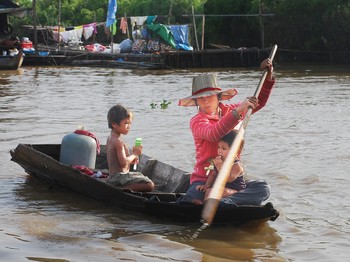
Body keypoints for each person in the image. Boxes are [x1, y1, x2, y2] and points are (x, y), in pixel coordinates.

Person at [178, 58, 275, 206]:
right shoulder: (197, 121)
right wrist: (239, 110)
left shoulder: (230, 111)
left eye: (209, 96)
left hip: (232, 180)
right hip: (206, 180)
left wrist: (268, 76)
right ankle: (223, 202)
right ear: (196, 102)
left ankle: (225, 201)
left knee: (263, 188)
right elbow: (214, 134)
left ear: (218, 97)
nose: (205, 101)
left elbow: (258, 102)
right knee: (192, 199)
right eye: (200, 99)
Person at [105, 104, 154, 192]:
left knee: (139, 176)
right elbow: (123, 163)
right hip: (119, 178)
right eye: (126, 123)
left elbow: (119, 161)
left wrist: (132, 159)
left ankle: (117, 188)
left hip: (113, 177)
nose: (129, 127)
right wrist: (135, 154)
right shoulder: (118, 141)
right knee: (150, 185)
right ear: (114, 124)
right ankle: (119, 189)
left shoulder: (111, 138)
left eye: (130, 123)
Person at [195, 130, 246, 204]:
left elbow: (228, 179)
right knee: (210, 190)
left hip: (235, 190)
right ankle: (204, 204)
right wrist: (207, 185)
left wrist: (220, 166)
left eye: (224, 148)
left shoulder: (236, 166)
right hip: (222, 188)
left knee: (216, 191)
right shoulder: (220, 161)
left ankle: (206, 205)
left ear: (236, 151)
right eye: (218, 147)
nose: (220, 151)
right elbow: (213, 174)